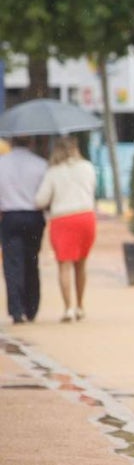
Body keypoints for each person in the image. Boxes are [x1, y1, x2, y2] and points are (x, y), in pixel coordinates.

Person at [34, 136, 97, 322]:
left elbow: (41, 200)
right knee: (81, 264)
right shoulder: (87, 167)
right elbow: (92, 189)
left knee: (64, 264)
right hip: (85, 217)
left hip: (63, 219)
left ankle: (68, 308)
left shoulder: (53, 172)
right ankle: (80, 305)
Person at [0, 136, 49, 325]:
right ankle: (32, 308)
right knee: (32, 261)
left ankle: (16, 310)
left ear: (11, 142)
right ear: (31, 143)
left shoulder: (2, 164)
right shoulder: (41, 165)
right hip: (34, 217)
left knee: (12, 264)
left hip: (9, 217)